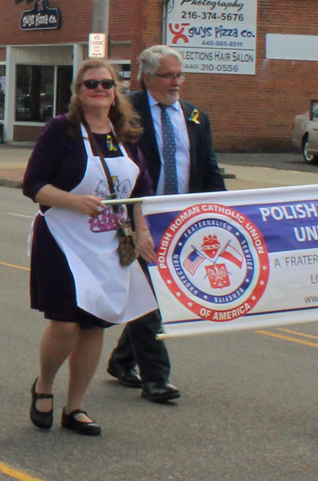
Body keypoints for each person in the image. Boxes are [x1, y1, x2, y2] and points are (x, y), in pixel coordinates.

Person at [23, 59, 159, 435]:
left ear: (116, 92)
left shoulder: (126, 135)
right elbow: (33, 184)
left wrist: (142, 232)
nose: (99, 90)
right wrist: (72, 201)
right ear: (78, 93)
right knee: (65, 323)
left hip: (106, 242)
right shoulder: (60, 131)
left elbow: (139, 192)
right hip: (64, 237)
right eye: (90, 84)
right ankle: (45, 386)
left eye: (106, 84)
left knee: (95, 323)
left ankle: (75, 406)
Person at [107, 45, 226, 403]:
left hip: (181, 219)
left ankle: (122, 360)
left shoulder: (194, 116)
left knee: (158, 295)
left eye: (180, 75)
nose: (177, 82)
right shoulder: (124, 110)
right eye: (168, 75)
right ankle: (156, 378)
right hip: (140, 216)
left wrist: (224, 209)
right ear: (146, 77)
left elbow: (207, 165)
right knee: (147, 293)